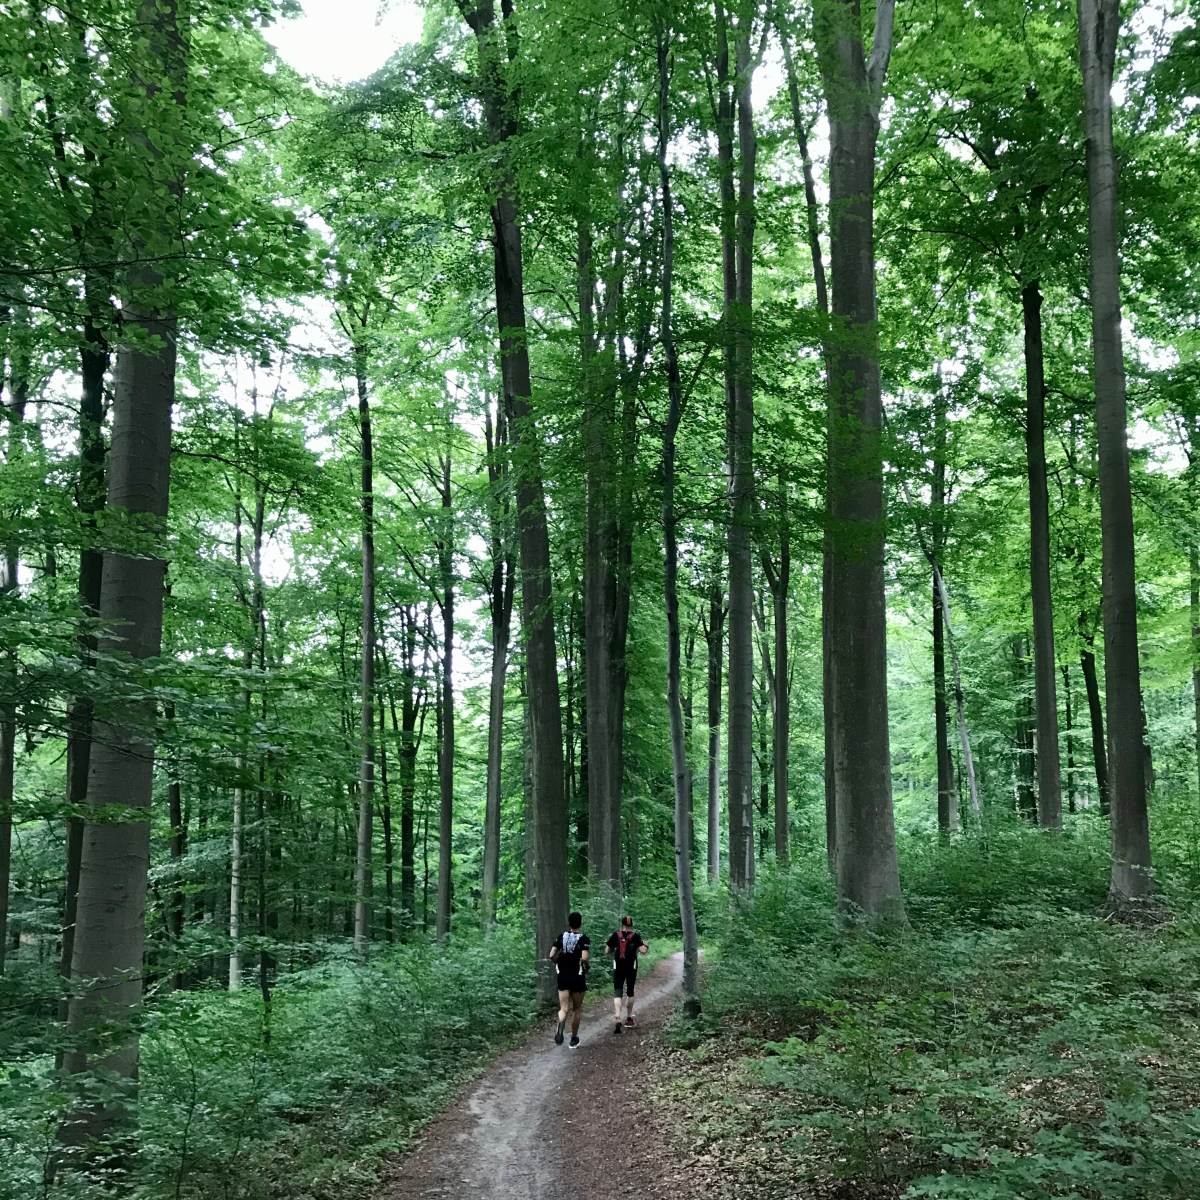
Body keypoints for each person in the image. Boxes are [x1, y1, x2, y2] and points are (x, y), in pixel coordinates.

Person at [548, 911, 590, 1048]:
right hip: (577, 976)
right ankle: (573, 1038)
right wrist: (587, 967)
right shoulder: (584, 939)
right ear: (580, 923)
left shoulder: (561, 937)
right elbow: (584, 958)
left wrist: (558, 962)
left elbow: (551, 955)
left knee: (563, 1008)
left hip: (563, 976)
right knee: (576, 1009)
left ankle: (560, 1027)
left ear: (569, 923)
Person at [606, 915, 648, 1033]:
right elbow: (643, 951)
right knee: (630, 991)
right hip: (631, 968)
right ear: (631, 925)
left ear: (622, 925)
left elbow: (607, 951)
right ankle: (629, 1018)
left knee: (618, 991)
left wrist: (613, 948)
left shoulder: (615, 935)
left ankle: (617, 1016)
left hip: (618, 967)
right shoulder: (636, 936)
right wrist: (646, 945)